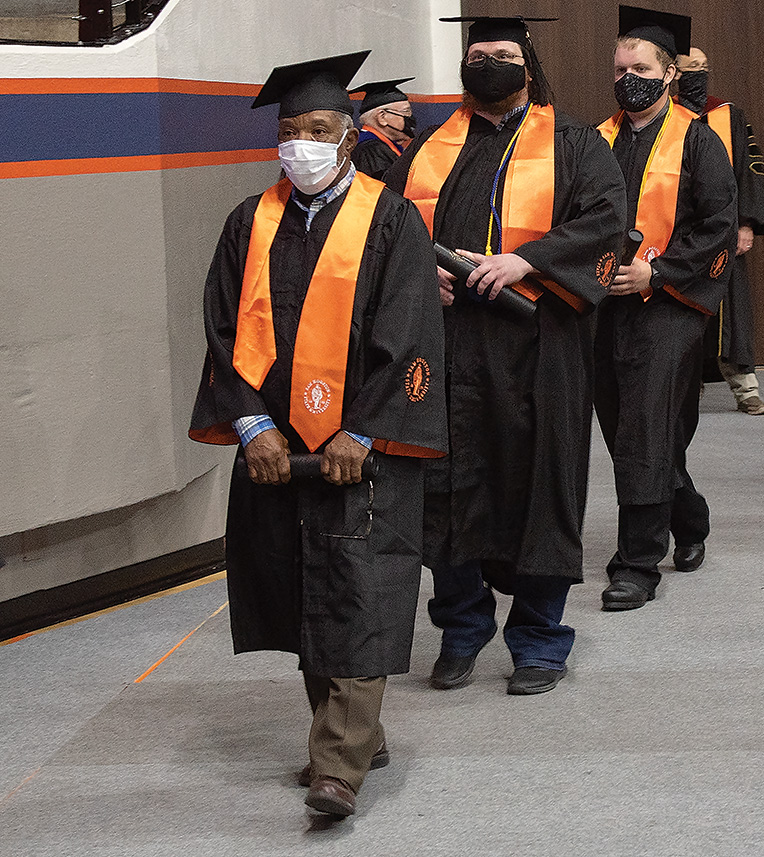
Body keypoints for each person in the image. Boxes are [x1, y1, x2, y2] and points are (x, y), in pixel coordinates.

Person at [188, 52, 447, 818]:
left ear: (349, 136)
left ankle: (337, 762)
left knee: (359, 588)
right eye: (289, 130)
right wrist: (252, 422)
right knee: (305, 587)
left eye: (319, 129)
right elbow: (220, 326)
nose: (301, 142)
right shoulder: (250, 220)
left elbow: (410, 332)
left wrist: (362, 429)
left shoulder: (390, 217)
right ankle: (354, 730)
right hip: (278, 450)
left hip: (361, 451)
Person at [382, 16, 625, 694]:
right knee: (444, 485)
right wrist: (414, 277)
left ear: (529, 66)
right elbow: (386, 227)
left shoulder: (574, 143)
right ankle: (462, 625)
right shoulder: (431, 147)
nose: (488, 62)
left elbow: (605, 221)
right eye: (477, 54)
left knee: (542, 485)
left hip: (539, 342)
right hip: (449, 344)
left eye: (504, 54)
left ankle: (539, 636)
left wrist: (527, 260)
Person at [594, 6, 737, 609]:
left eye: (642, 68)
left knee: (646, 426)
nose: (630, 78)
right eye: (622, 68)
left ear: (669, 74)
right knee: (622, 423)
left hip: (668, 304)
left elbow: (718, 227)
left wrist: (657, 273)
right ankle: (689, 514)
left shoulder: (697, 139)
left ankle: (637, 561)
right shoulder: (594, 140)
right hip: (604, 304)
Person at [675, 46, 764, 416]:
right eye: (691, 68)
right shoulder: (660, 114)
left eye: (704, 66)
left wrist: (747, 223)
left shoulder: (727, 114)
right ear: (673, 72)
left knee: (731, 310)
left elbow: (749, 171)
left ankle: (745, 386)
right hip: (676, 233)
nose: (699, 73)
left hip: (723, 228)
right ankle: (684, 383)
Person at [350, 78, 416, 178]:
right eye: (405, 112)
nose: (410, 117)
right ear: (382, 117)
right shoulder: (371, 151)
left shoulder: (382, 146)